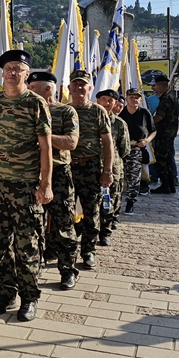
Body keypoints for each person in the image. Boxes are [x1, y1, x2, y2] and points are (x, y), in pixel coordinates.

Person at [0, 50, 52, 321]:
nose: (12, 72)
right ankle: (6, 293)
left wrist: (46, 184)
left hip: (25, 185)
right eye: (8, 68)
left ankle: (29, 297)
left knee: (27, 244)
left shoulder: (35, 103)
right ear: (2, 72)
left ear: (26, 74)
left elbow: (45, 147)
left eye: (18, 68)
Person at [27, 70, 80, 290]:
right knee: (33, 227)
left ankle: (68, 270)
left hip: (58, 174)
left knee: (63, 225)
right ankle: (34, 270)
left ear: (48, 89)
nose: (29, 91)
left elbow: (71, 142)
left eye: (33, 87)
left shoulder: (66, 111)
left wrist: (43, 136)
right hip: (31, 174)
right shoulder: (27, 110)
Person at [67, 70, 113, 270]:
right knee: (64, 212)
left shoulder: (97, 111)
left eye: (82, 84)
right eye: (75, 84)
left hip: (91, 166)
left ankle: (87, 251)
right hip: (67, 167)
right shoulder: (63, 110)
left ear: (89, 88)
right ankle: (64, 252)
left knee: (91, 211)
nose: (79, 88)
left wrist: (108, 171)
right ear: (69, 87)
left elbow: (107, 142)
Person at [95, 90, 129, 247]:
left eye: (111, 100)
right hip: (91, 166)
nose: (107, 103)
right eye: (104, 99)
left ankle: (105, 232)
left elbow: (124, 150)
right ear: (98, 100)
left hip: (112, 169)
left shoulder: (120, 124)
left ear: (116, 103)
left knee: (109, 201)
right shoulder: (90, 119)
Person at [119, 88, 155, 215]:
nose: (134, 100)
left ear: (140, 100)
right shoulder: (120, 112)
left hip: (135, 148)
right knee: (118, 176)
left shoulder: (144, 113)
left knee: (133, 177)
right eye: (131, 97)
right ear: (126, 98)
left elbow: (153, 130)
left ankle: (130, 203)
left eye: (137, 98)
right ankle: (115, 203)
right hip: (120, 148)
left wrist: (147, 141)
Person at [150, 75, 179, 193]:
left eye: (155, 86)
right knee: (168, 159)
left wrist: (148, 122)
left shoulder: (166, 98)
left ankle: (165, 185)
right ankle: (171, 185)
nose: (154, 89)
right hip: (170, 133)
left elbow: (159, 117)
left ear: (161, 86)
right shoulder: (172, 96)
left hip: (164, 133)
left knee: (161, 159)